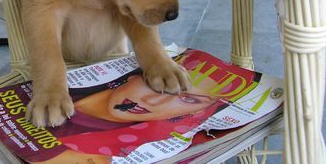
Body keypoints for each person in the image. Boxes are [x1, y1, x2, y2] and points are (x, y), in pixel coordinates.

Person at [28, 49, 259, 163]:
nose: (152, 100)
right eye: (158, 85)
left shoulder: (106, 150)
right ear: (134, 75)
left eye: (188, 99)